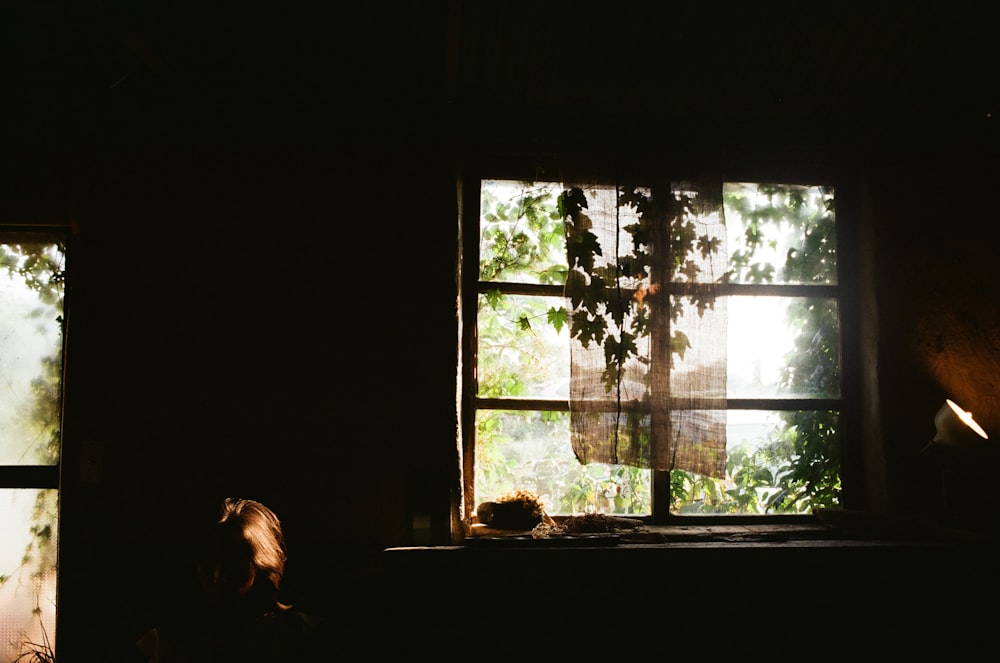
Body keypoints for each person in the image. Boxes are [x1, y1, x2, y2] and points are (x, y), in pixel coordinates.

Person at [135, 497, 323, 662]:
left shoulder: (294, 637)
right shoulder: (166, 643)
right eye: (210, 561)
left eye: (232, 563)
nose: (218, 576)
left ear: (261, 565)